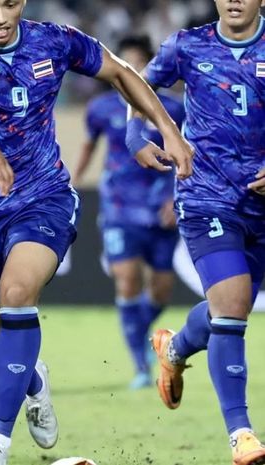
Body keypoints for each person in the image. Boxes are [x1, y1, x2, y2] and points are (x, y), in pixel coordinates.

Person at [0, 1, 193, 464]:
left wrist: (167, 129)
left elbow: (122, 73)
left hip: (42, 197)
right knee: (1, 345)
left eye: (8, 3)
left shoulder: (54, 40)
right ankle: (34, 381)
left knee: (17, 292)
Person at [130, 0, 265, 463]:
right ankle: (241, 433)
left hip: (262, 205)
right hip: (206, 195)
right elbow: (138, 83)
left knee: (232, 303)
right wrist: (136, 134)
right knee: (232, 309)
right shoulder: (188, 45)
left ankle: (176, 347)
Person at [73, 35, 186, 390]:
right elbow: (89, 147)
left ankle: (144, 335)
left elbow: (187, 152)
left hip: (162, 207)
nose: (129, 70)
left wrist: (177, 195)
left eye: (138, 64)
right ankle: (140, 364)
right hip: (119, 206)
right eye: (124, 63)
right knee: (126, 279)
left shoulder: (174, 110)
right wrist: (72, 183)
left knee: (162, 289)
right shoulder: (101, 109)